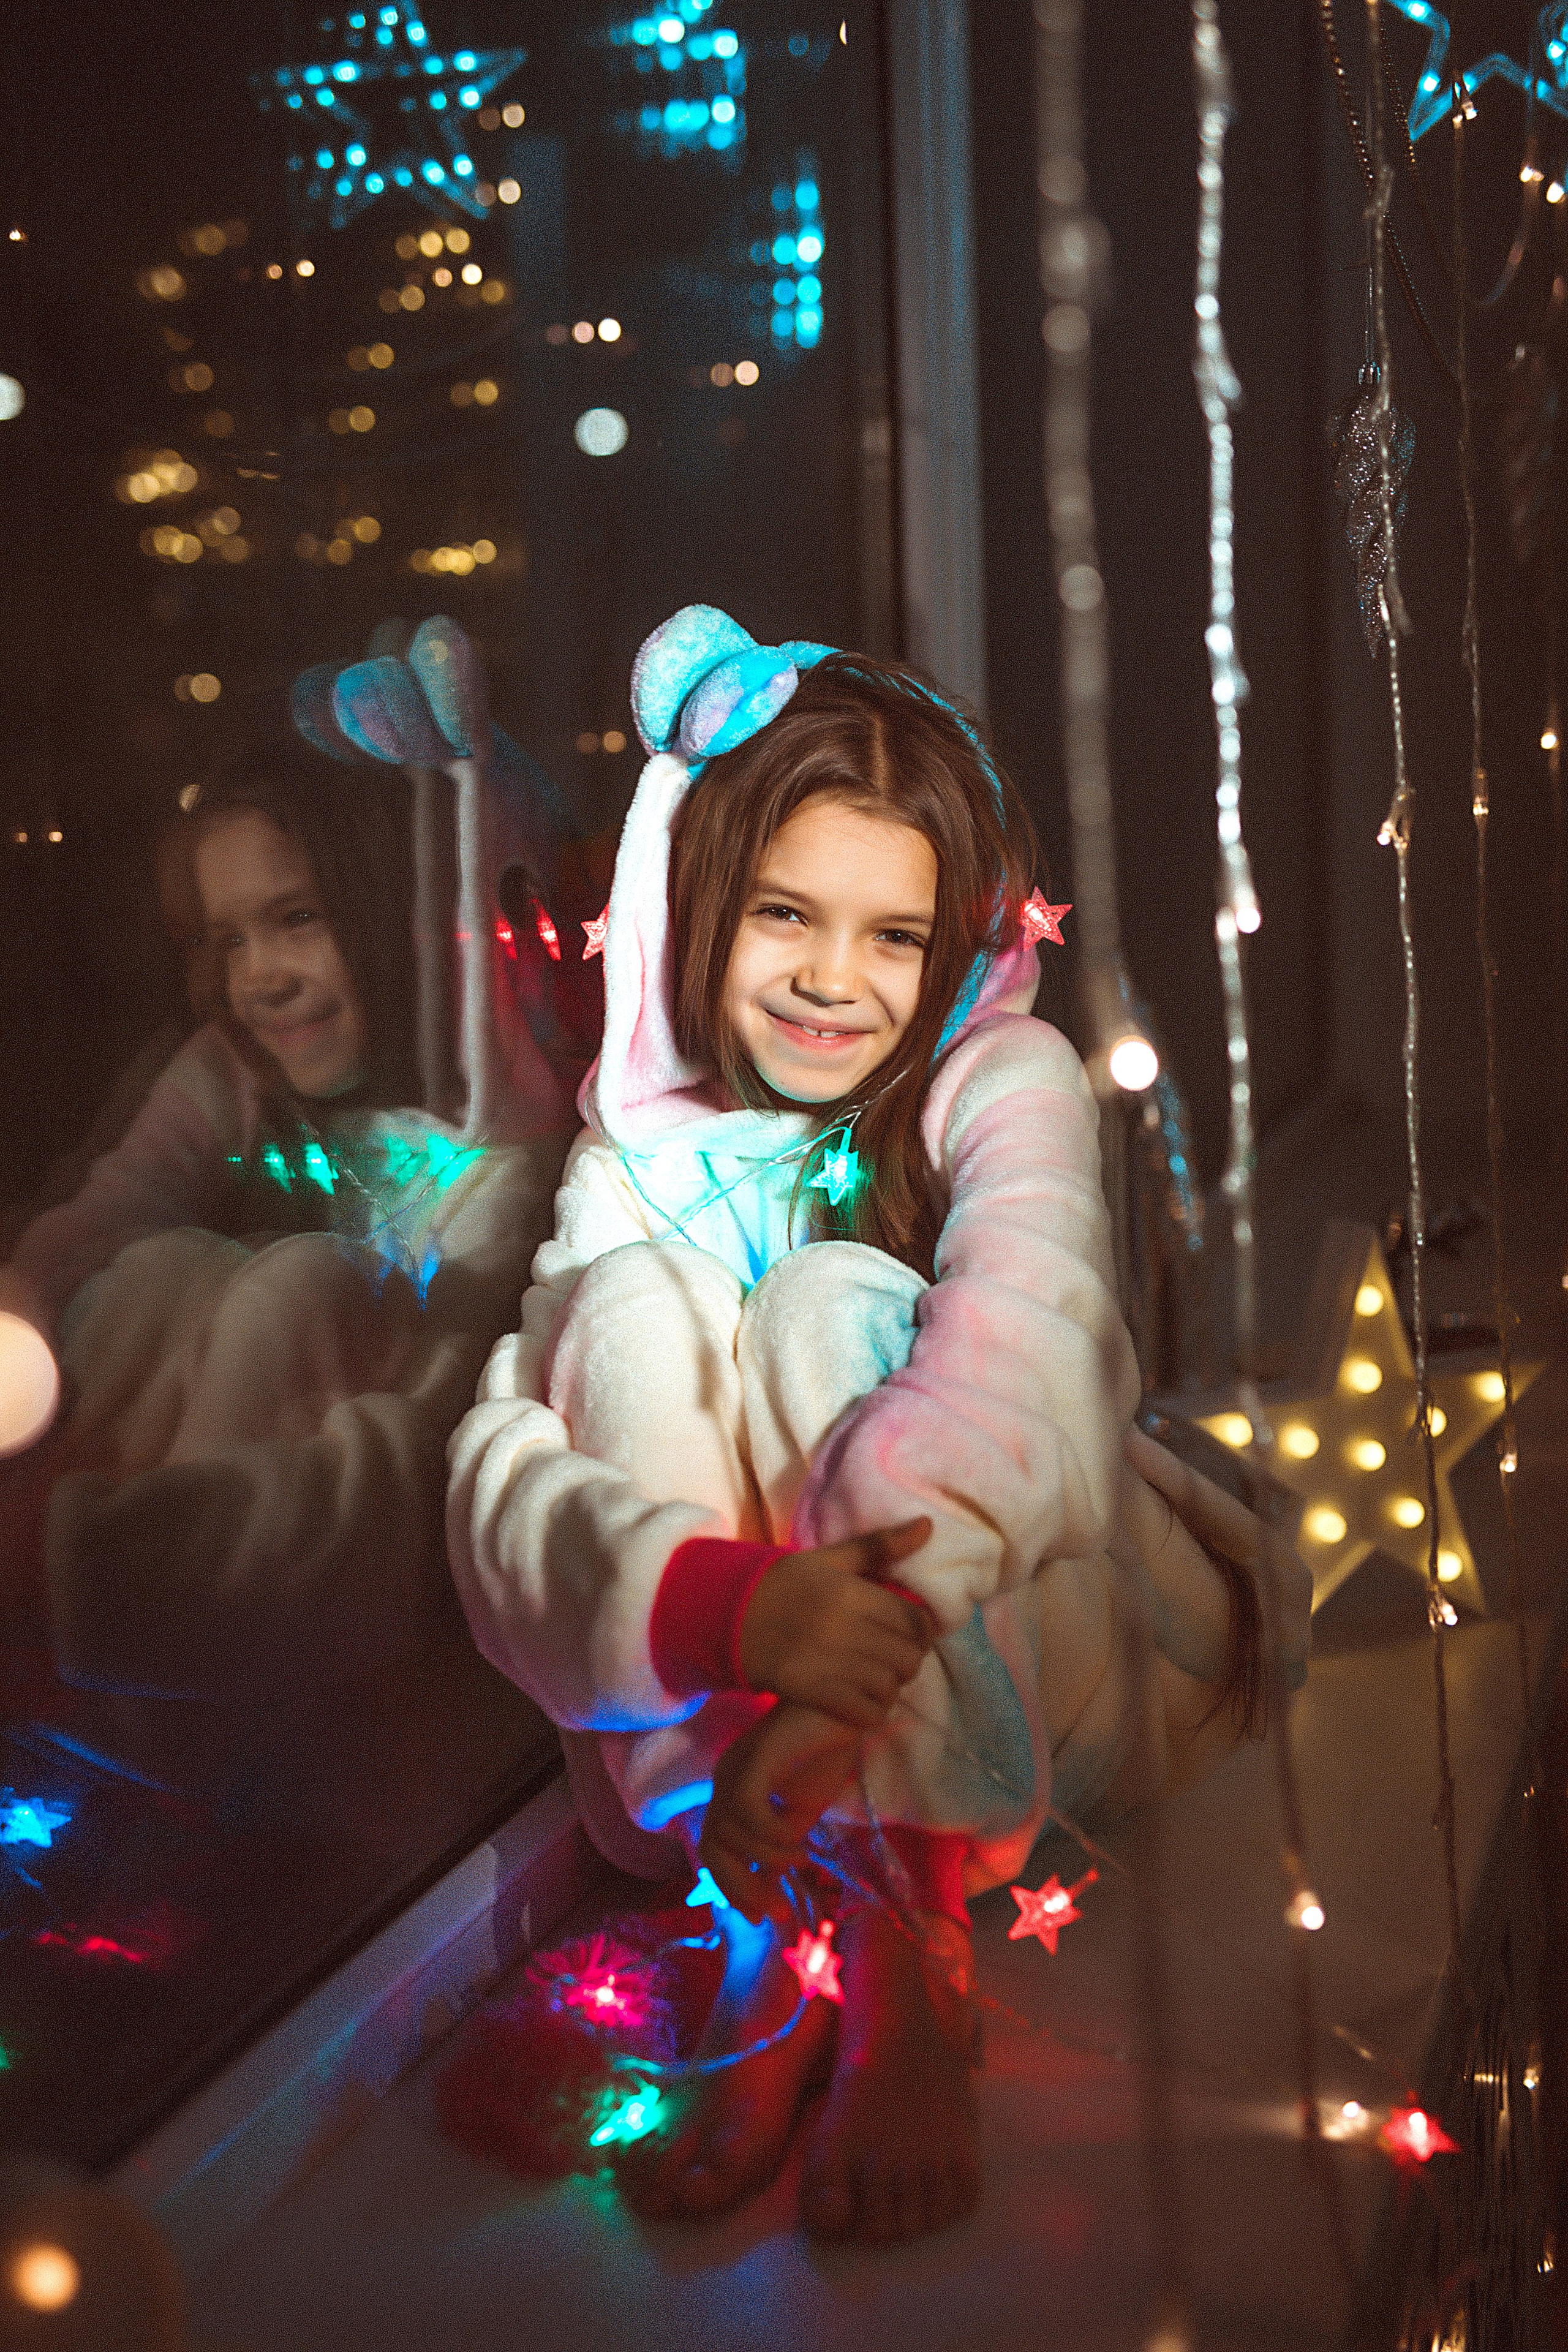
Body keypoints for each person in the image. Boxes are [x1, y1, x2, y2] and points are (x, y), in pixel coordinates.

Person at [447, 607, 1311, 2244]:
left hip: (1035, 1681)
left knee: (839, 1303)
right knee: (619, 1319)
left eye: (893, 937)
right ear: (702, 908)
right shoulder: (635, 1155)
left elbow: (1035, 1355)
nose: (834, 983)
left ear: (957, 949)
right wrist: (738, 1612)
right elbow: (506, 1466)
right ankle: (772, 1926)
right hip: (735, 1769)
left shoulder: (1005, 1081)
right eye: (786, 915)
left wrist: (857, 1667)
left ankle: (910, 1945)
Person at [1, 734, 572, 1717]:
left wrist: (79, 1565)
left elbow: (433, 1449)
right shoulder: (235, 1068)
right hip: (116, 1528)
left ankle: (145, 1641)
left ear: (405, 920)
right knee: (157, 1273)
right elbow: (99, 1225)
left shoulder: (504, 1147)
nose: (257, 978)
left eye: (296, 920)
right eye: (228, 941)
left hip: (350, 1618)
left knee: (309, 1283)